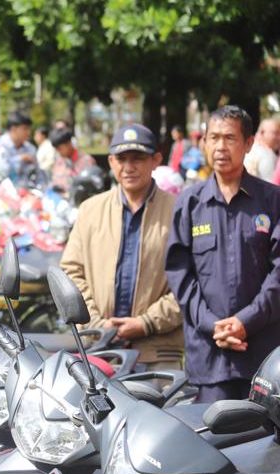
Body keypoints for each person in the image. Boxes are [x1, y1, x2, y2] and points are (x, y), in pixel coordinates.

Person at [166, 106, 280, 402]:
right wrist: (212, 325)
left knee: (265, 446)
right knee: (210, 444)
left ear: (249, 143)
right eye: (213, 138)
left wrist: (246, 322)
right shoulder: (189, 203)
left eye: (229, 138)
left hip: (265, 360)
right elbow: (180, 275)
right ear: (203, 142)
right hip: (210, 357)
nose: (220, 147)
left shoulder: (272, 201)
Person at [61, 123, 183, 369]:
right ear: (110, 162)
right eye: (121, 159)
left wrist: (146, 322)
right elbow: (70, 272)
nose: (129, 167)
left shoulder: (180, 211)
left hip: (156, 352)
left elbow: (191, 283)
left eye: (138, 158)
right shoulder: (90, 210)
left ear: (155, 160)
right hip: (97, 349)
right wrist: (96, 323)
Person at [0, 111, 37, 185]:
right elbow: (3, 170)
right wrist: (20, 158)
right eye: (25, 129)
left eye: (29, 129)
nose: (28, 132)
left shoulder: (30, 148)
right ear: (13, 129)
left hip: (24, 193)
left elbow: (36, 173)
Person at [47, 126, 96, 193]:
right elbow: (54, 181)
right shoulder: (59, 161)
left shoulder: (86, 161)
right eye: (56, 149)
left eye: (59, 148)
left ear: (69, 143)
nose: (58, 152)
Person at [246, 117, 280, 183]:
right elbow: (272, 188)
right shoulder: (267, 155)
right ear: (262, 133)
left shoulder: (247, 149)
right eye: (276, 133)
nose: (279, 137)